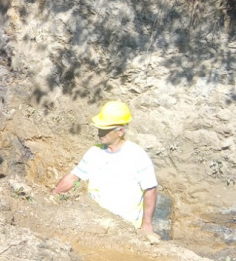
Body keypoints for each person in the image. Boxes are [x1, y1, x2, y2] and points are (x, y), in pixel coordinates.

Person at [51, 101, 159, 240]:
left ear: (120, 131)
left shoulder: (137, 155)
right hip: (95, 224)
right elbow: (73, 177)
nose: (100, 132)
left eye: (105, 129)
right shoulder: (94, 152)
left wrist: (147, 225)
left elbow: (150, 189)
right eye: (99, 128)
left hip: (126, 229)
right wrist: (53, 194)